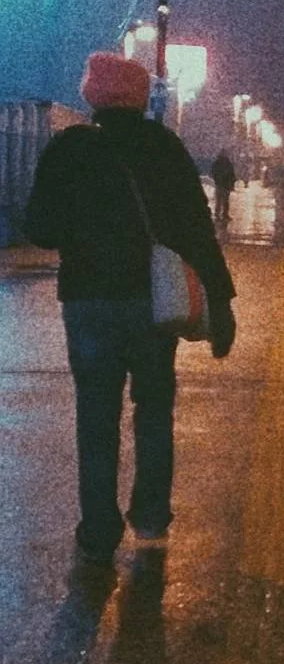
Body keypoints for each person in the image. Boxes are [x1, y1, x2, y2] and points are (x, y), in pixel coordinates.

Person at [24, 51, 237, 567]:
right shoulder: (162, 145)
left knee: (96, 413)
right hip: (152, 303)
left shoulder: (69, 147)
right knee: (155, 405)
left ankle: (99, 528)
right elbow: (196, 228)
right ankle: (150, 515)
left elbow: (40, 229)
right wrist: (222, 304)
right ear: (141, 97)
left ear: (92, 94)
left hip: (88, 303)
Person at [210, 148, 236, 221]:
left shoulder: (219, 163)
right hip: (223, 184)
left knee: (221, 200)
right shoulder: (226, 163)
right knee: (223, 200)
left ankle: (220, 214)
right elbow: (232, 174)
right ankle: (222, 214)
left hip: (222, 184)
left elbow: (213, 172)